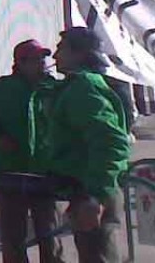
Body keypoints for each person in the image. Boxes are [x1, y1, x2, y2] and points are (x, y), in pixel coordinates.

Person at [0, 40, 64, 263]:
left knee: (51, 235)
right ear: (20, 63)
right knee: (13, 240)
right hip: (10, 175)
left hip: (45, 174)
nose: (42, 63)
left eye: (44, 58)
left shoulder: (54, 90)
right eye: (36, 59)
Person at [44, 27, 131, 262]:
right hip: (90, 186)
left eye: (61, 49)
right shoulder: (78, 86)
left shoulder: (83, 88)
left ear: (79, 53)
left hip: (93, 188)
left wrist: (95, 197)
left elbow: (111, 142)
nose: (54, 56)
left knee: (97, 255)